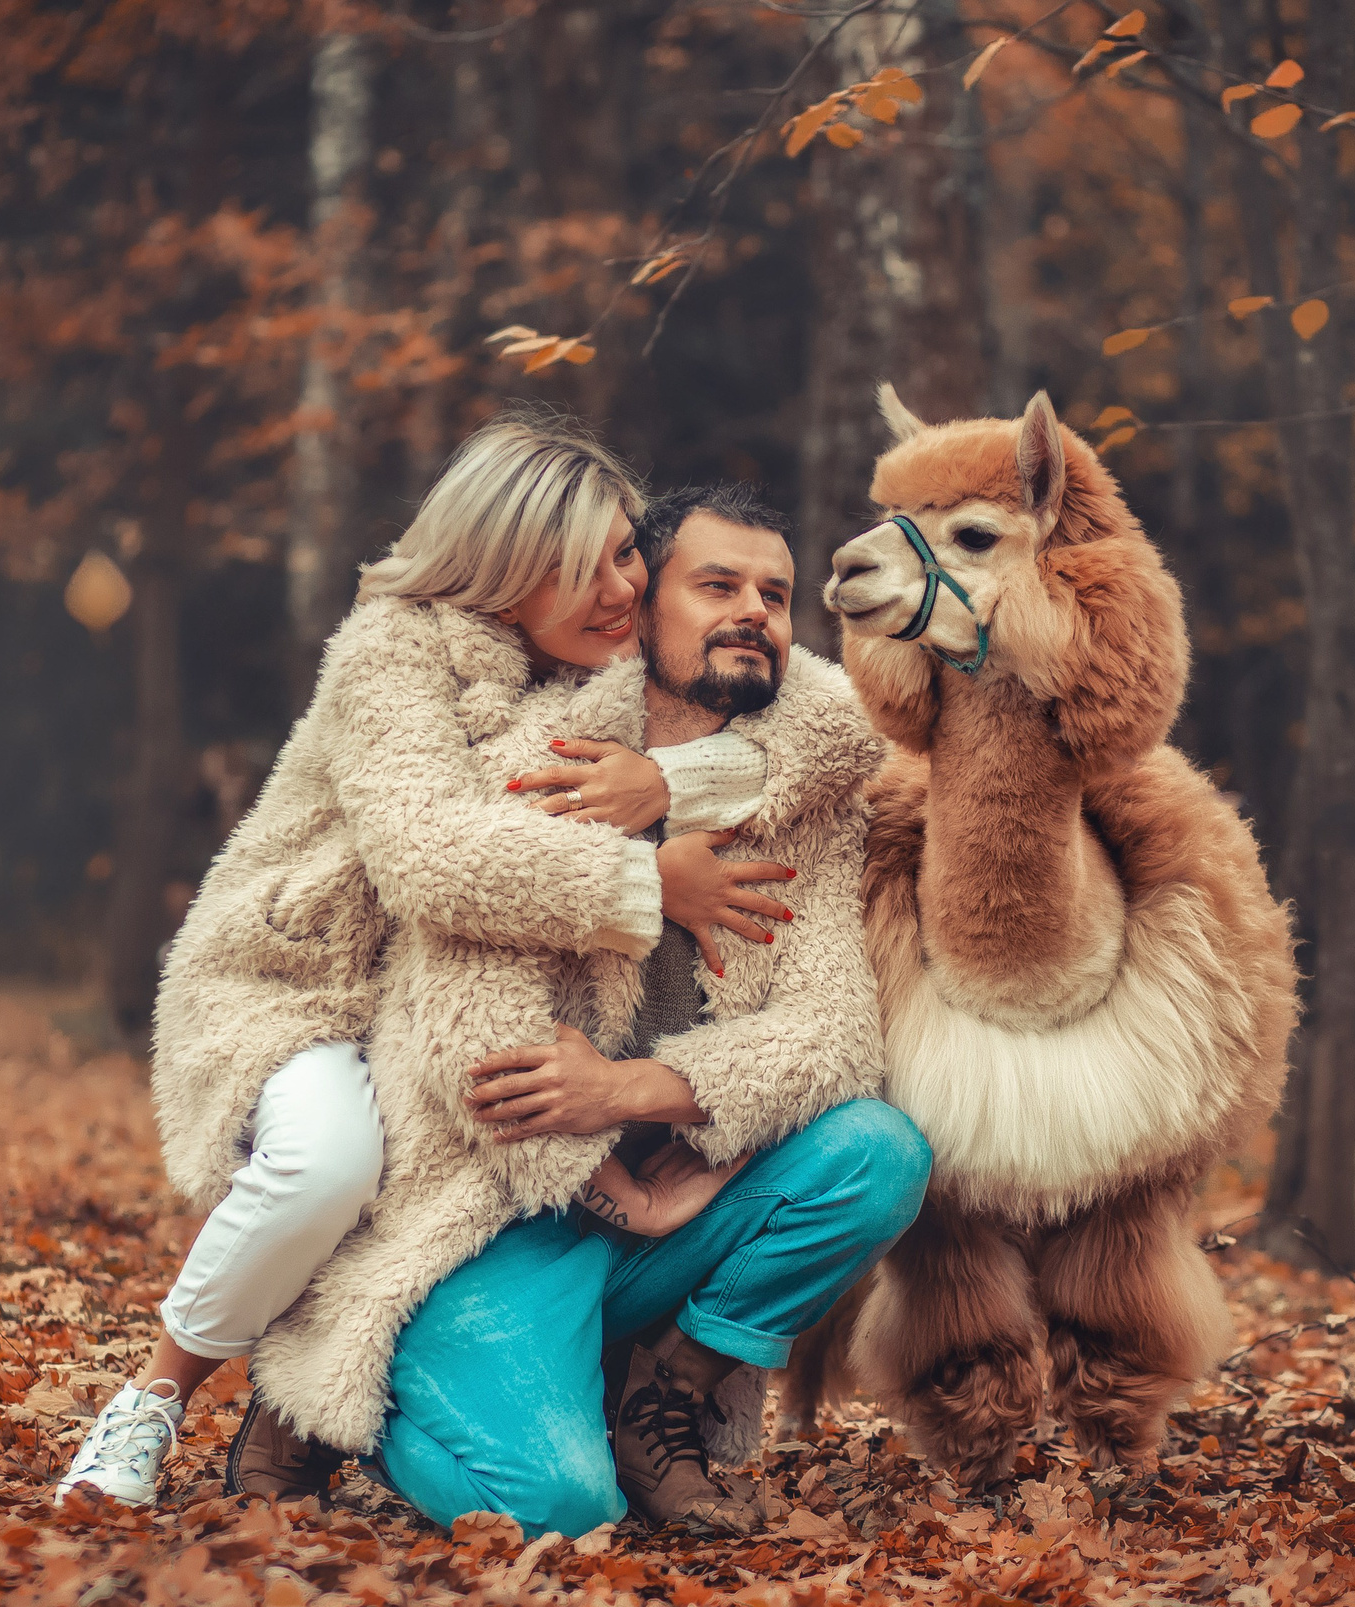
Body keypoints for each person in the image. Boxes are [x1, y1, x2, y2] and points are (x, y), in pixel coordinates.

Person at [57, 419, 853, 1508]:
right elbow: (438, 857)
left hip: (421, 996)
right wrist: (647, 885)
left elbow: (818, 736)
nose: (625, 585)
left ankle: (407, 1377)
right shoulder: (392, 650)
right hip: (302, 984)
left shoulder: (587, 663)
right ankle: (156, 1398)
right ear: (514, 561)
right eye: (595, 560)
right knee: (327, 1166)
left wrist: (671, 789)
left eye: (630, 553)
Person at [241, 484, 933, 1537]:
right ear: (640, 606)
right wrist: (607, 1181)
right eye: (716, 584)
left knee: (877, 1151)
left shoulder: (808, 797)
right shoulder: (541, 756)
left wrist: (630, 1092)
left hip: (674, 1209)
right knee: (556, 1506)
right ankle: (353, 1395)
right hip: (506, 1213)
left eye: (776, 593)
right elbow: (469, 1034)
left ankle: (661, 1395)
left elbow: (832, 1031)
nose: (753, 608)